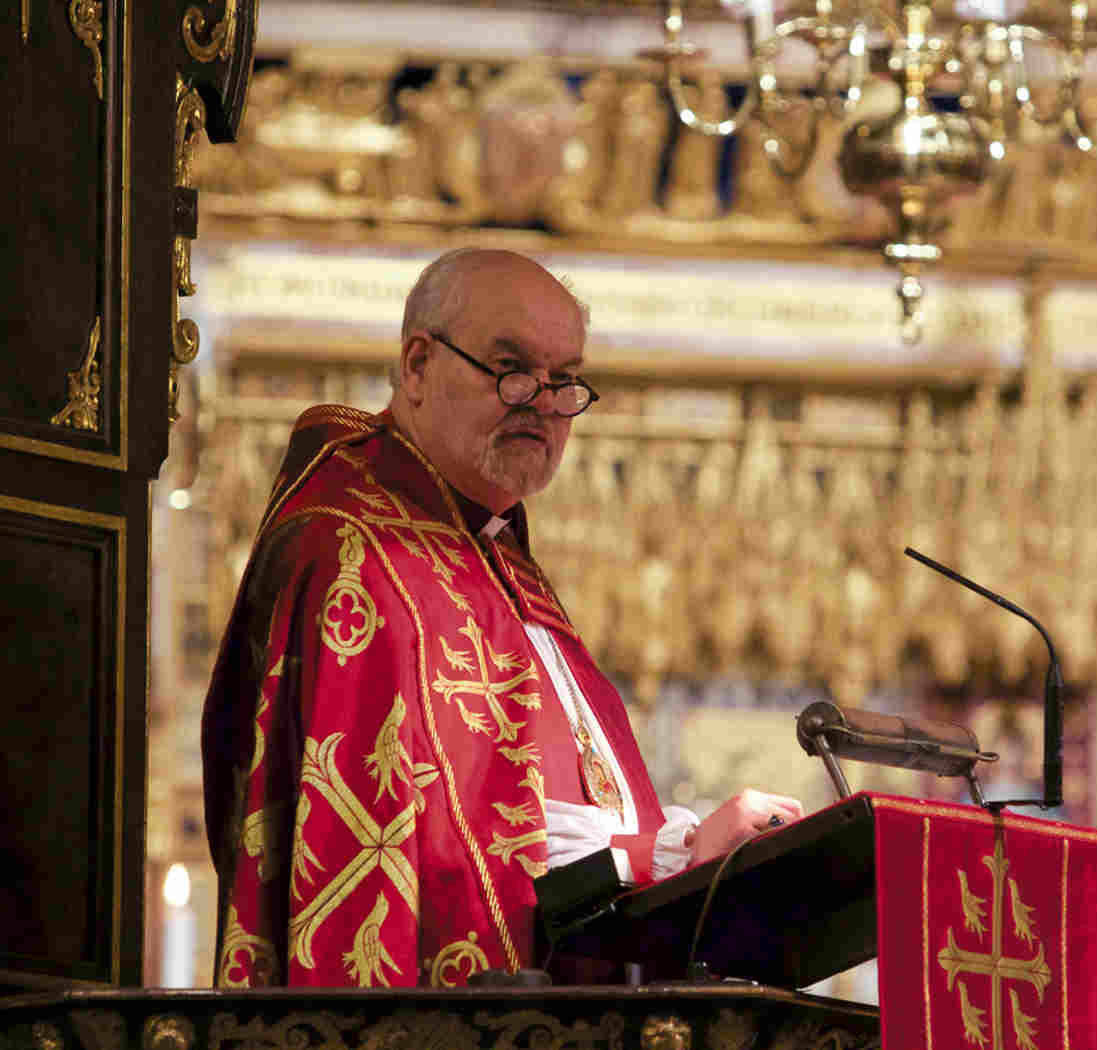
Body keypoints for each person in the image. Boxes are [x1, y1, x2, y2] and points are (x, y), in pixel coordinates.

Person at [202, 248, 802, 988]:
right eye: (511, 367)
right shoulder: (356, 553)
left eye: (565, 380)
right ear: (417, 365)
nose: (543, 403)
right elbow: (421, 859)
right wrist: (670, 853)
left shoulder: (497, 555)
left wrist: (697, 853)